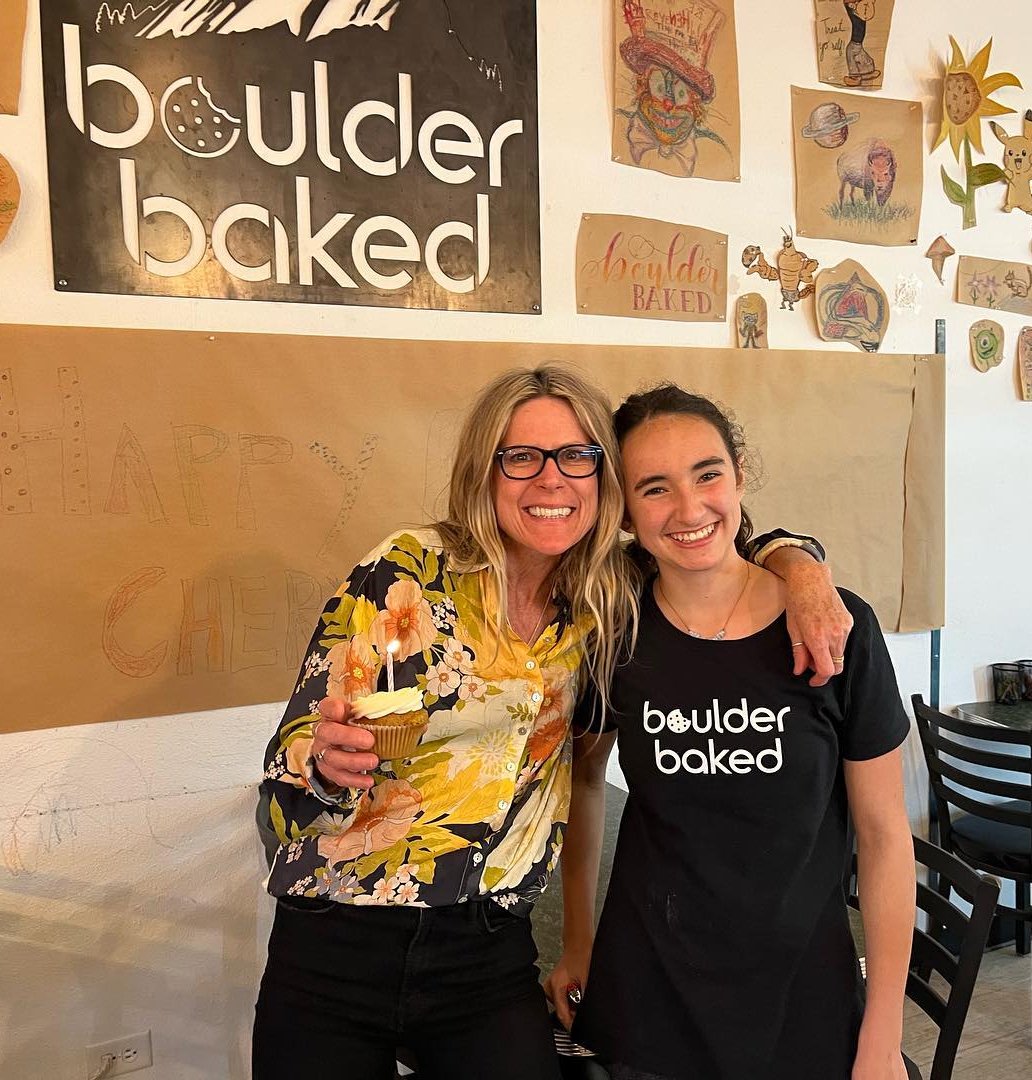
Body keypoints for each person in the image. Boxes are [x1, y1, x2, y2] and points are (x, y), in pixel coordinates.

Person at [253, 366, 852, 1079]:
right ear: (485, 470)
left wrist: (801, 566)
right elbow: (283, 791)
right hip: (334, 932)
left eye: (576, 456)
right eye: (522, 457)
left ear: (604, 480)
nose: (551, 479)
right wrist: (324, 770)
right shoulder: (406, 569)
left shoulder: (608, 593)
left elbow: (706, 537)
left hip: (485, 950)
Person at [549, 385, 913, 1080]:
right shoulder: (614, 631)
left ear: (740, 476)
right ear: (623, 510)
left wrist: (883, 1033)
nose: (689, 510)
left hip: (803, 994)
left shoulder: (837, 627)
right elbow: (584, 783)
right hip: (650, 991)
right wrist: (578, 941)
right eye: (655, 488)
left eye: (708, 474)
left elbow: (885, 835)